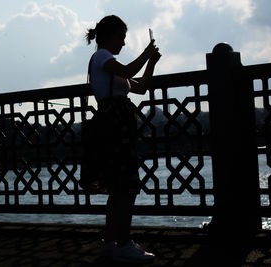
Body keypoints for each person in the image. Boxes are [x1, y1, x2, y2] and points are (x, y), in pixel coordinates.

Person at [85, 15, 161, 263]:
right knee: (126, 186)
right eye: (122, 37)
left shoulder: (109, 62)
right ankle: (123, 243)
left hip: (117, 126)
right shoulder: (102, 57)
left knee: (119, 186)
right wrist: (146, 53)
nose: (124, 43)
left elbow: (140, 87)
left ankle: (111, 242)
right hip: (114, 127)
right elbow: (129, 70)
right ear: (109, 36)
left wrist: (151, 62)